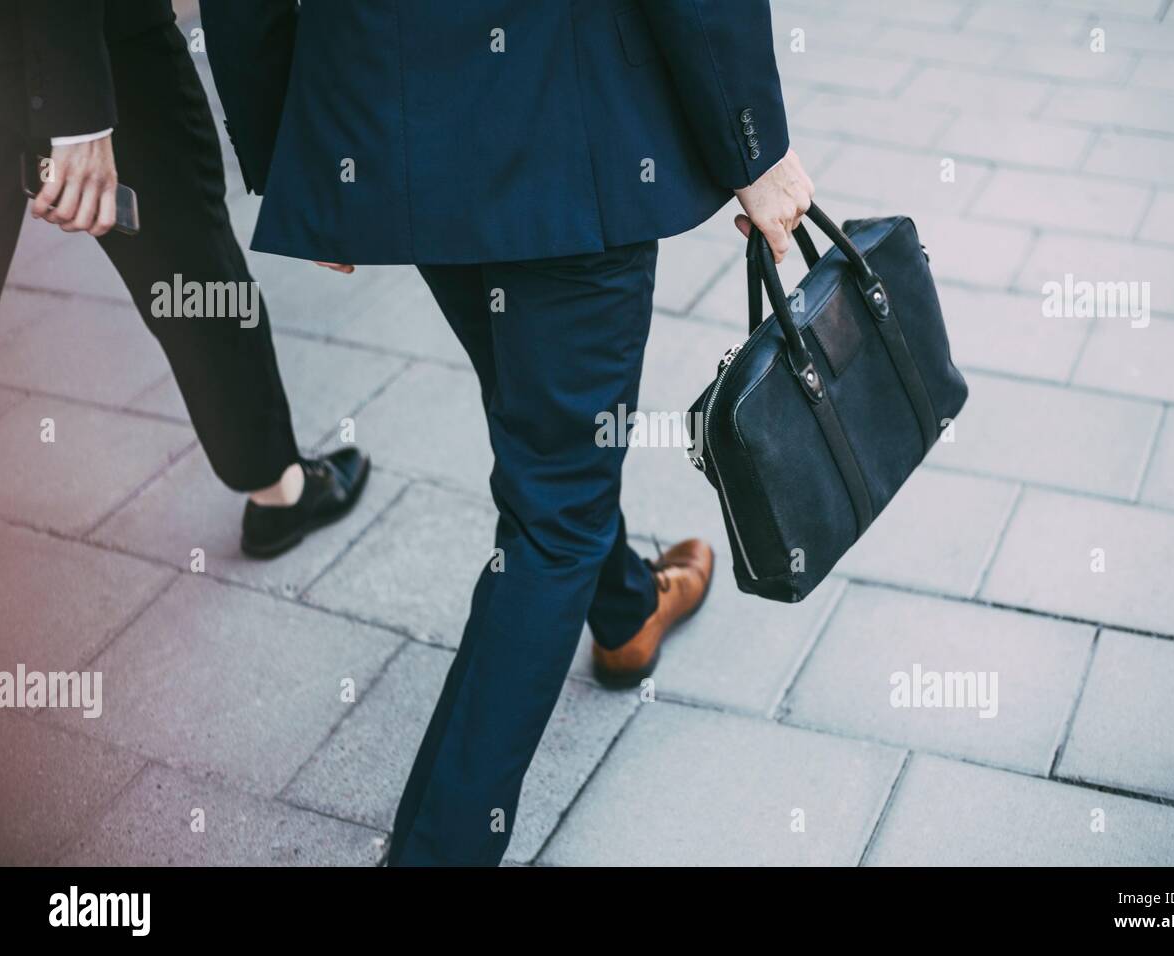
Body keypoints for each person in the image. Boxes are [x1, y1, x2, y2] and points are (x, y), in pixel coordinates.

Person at [200, 0, 814, 865]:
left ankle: (626, 610)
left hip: (400, 118)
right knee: (556, 512)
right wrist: (754, 144)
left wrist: (293, 144)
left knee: (545, 427)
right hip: (571, 130)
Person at [0, 0, 370, 557]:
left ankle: (275, 482)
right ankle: (278, 491)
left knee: (193, 277)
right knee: (191, 270)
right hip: (107, 45)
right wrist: (78, 116)